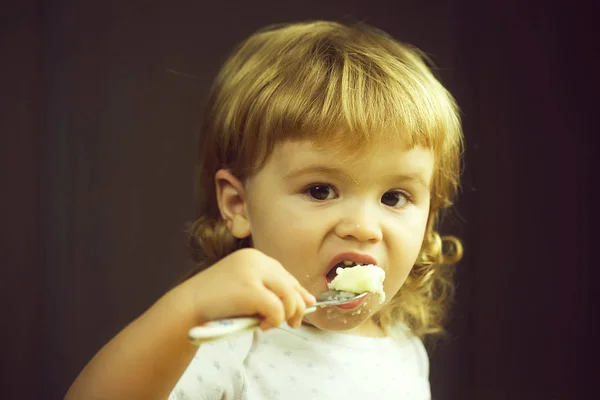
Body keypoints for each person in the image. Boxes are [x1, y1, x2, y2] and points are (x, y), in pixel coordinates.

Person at [65, 20, 464, 400]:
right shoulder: (229, 343)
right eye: (321, 190)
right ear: (238, 204)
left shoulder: (403, 350)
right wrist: (187, 311)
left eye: (394, 198)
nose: (363, 228)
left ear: (429, 219)